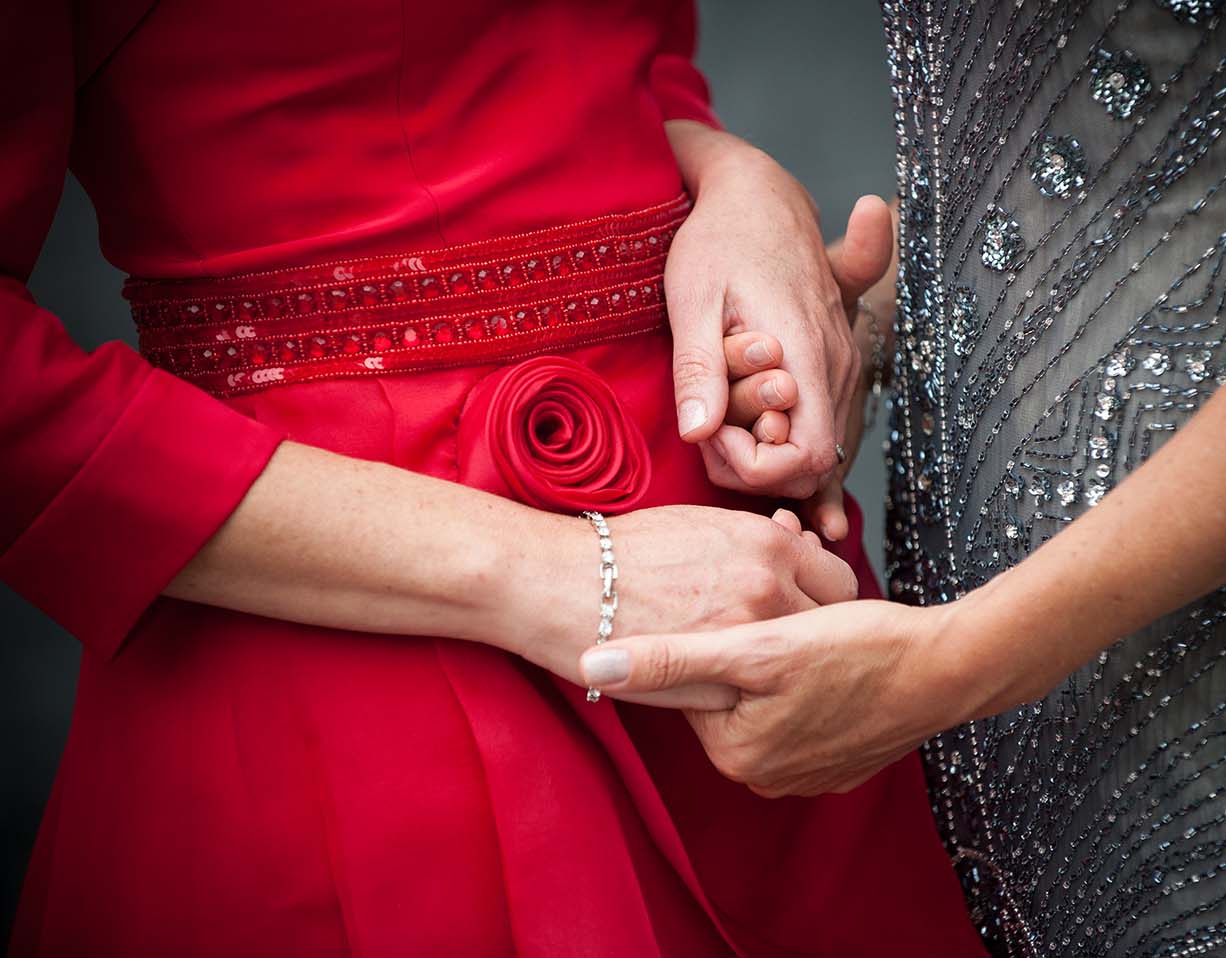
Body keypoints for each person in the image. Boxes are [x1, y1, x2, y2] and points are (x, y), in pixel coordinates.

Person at [1, 2, 986, 954]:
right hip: (363, 619)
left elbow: (611, 52)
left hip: (738, 588)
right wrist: (547, 571)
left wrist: (734, 181)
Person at [584, 1, 1226, 953]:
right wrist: (851, 331)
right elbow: (1106, 151)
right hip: (994, 685)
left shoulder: (963, 664)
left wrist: (952, 661)